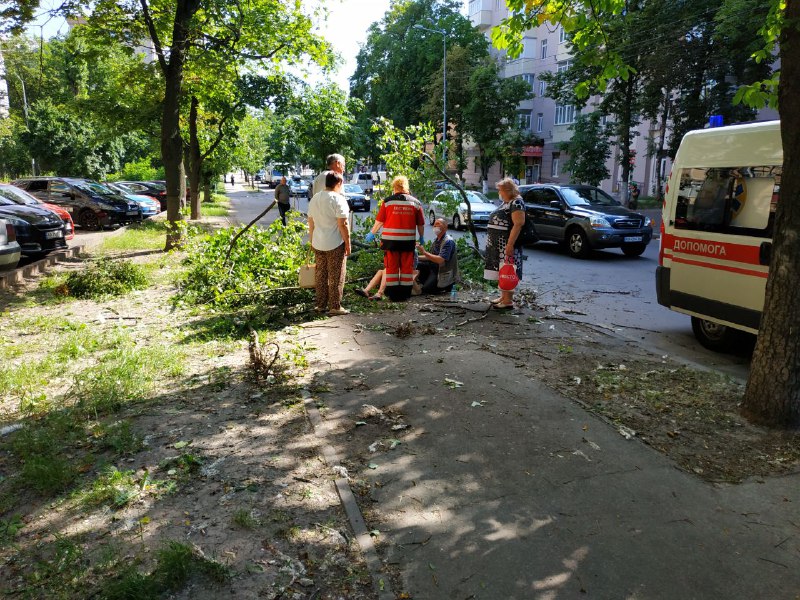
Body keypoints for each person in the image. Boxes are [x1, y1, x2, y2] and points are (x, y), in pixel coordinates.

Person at [364, 176, 425, 302]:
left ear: (394, 187)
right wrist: (422, 237)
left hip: (390, 242)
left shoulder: (387, 202)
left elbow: (379, 222)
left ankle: (393, 295)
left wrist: (372, 233)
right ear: (406, 187)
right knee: (406, 268)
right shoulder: (416, 203)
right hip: (408, 242)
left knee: (391, 268)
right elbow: (420, 224)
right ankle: (404, 295)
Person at [308, 172, 351, 316]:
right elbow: (343, 224)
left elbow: (311, 222)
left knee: (320, 274)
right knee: (336, 275)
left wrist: (311, 240)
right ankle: (335, 306)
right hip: (335, 243)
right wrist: (348, 243)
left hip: (318, 242)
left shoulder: (315, 198)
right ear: (338, 184)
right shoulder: (338, 199)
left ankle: (320, 305)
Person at [484, 177, 526, 309]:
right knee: (503, 270)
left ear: (508, 190)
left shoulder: (517, 202)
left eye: (501, 191)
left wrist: (509, 245)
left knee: (508, 269)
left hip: (506, 243)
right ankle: (503, 296)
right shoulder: (508, 202)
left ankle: (508, 300)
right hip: (499, 244)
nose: (499, 193)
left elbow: (518, 224)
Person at [415, 218, 458, 295]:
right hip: (433, 267)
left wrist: (424, 252)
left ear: (445, 227)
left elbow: (440, 260)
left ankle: (446, 286)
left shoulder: (448, 241)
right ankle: (428, 282)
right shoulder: (436, 240)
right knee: (417, 263)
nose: (435, 227)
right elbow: (430, 257)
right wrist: (415, 256)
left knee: (426, 290)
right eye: (434, 225)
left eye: (438, 224)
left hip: (441, 270)